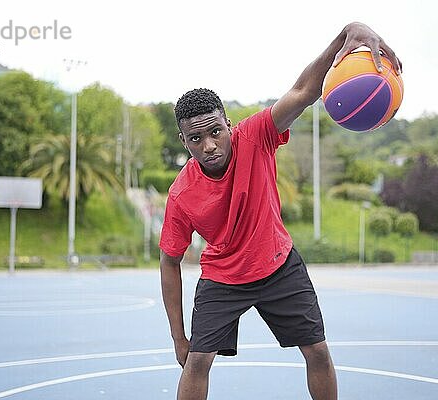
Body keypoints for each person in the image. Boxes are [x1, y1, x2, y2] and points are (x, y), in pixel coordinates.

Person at [159, 22, 402, 400]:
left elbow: (304, 91)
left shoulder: (256, 135)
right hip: (223, 278)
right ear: (183, 140)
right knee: (196, 362)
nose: (208, 145)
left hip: (278, 265)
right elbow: (169, 261)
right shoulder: (181, 195)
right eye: (195, 138)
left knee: (318, 351)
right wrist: (178, 337)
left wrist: (345, 36)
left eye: (215, 132)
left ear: (228, 123)